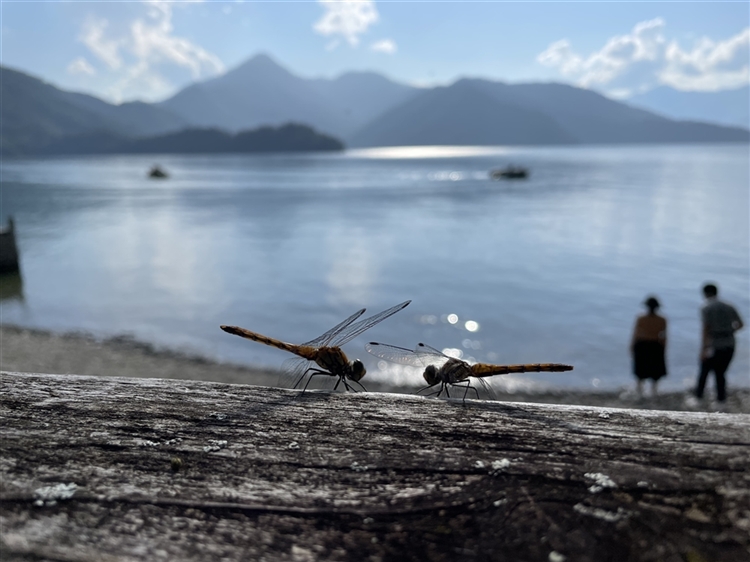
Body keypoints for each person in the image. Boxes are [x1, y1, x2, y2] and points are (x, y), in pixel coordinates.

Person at [695, 283, 744, 404]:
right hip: (729, 343)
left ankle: (699, 397)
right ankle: (721, 400)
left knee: (704, 371)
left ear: (705, 294)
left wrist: (703, 348)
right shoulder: (729, 306)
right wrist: (729, 331)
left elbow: (706, 329)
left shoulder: (706, 307)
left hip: (714, 343)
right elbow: (740, 324)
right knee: (721, 372)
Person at [630, 296, 667, 397]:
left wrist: (632, 346)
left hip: (642, 345)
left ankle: (640, 390)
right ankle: (654, 391)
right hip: (656, 346)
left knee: (640, 370)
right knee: (655, 370)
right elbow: (664, 336)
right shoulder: (662, 320)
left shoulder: (641, 318)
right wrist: (664, 348)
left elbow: (636, 334)